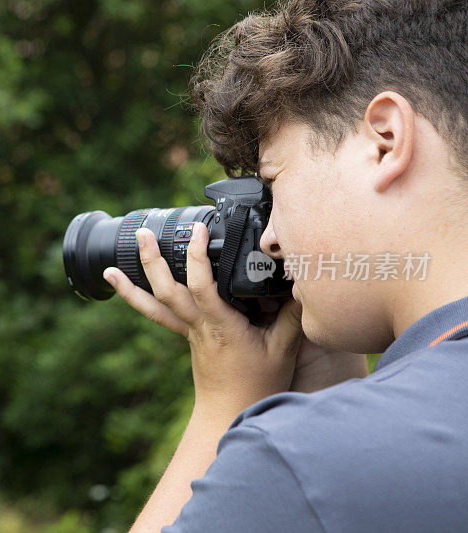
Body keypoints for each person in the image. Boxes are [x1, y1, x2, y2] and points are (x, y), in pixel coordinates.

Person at [100, 0, 468, 531]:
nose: (270, 239)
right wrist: (329, 375)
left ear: (385, 140)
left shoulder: (300, 463)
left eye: (273, 183)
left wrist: (227, 404)